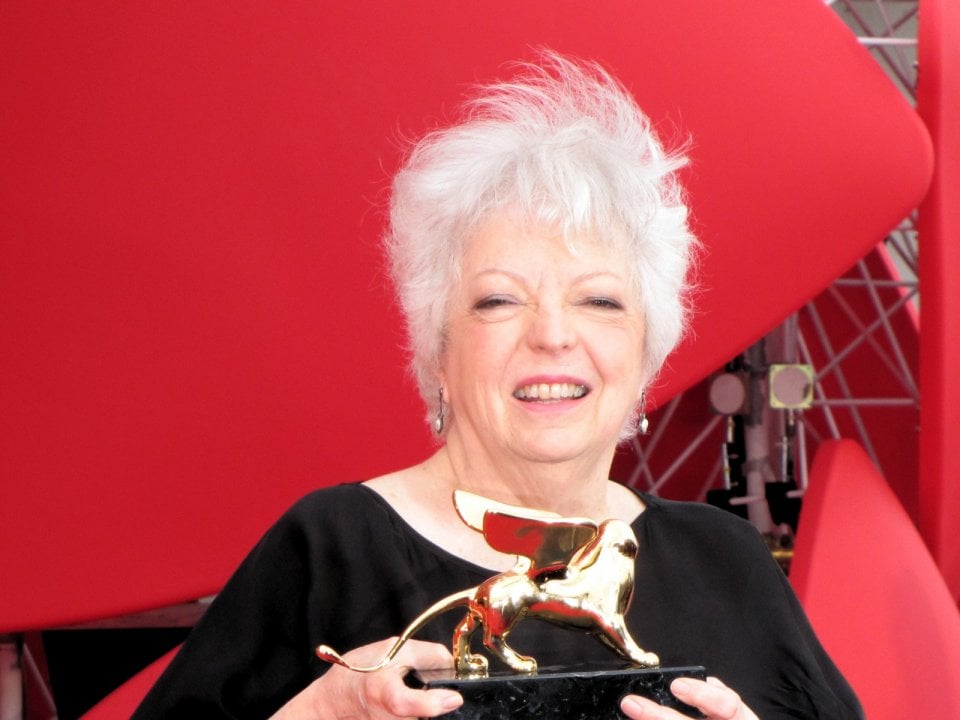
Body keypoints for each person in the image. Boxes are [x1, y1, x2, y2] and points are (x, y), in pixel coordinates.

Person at [133, 52, 863, 719]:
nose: (552, 333)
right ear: (439, 353)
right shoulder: (331, 550)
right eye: (500, 300)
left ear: (646, 355)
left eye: (599, 300)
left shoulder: (727, 561)